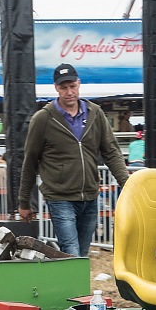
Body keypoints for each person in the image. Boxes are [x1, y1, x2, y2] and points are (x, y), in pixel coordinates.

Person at [19, 63, 129, 257]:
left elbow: (111, 152)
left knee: (82, 252)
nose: (69, 92)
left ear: (79, 84)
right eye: (63, 87)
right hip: (60, 197)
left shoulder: (95, 113)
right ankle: (76, 288)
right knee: (71, 251)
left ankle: (72, 286)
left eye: (72, 86)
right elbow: (30, 161)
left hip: (90, 196)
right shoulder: (42, 119)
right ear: (56, 88)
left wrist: (127, 185)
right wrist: (25, 202)